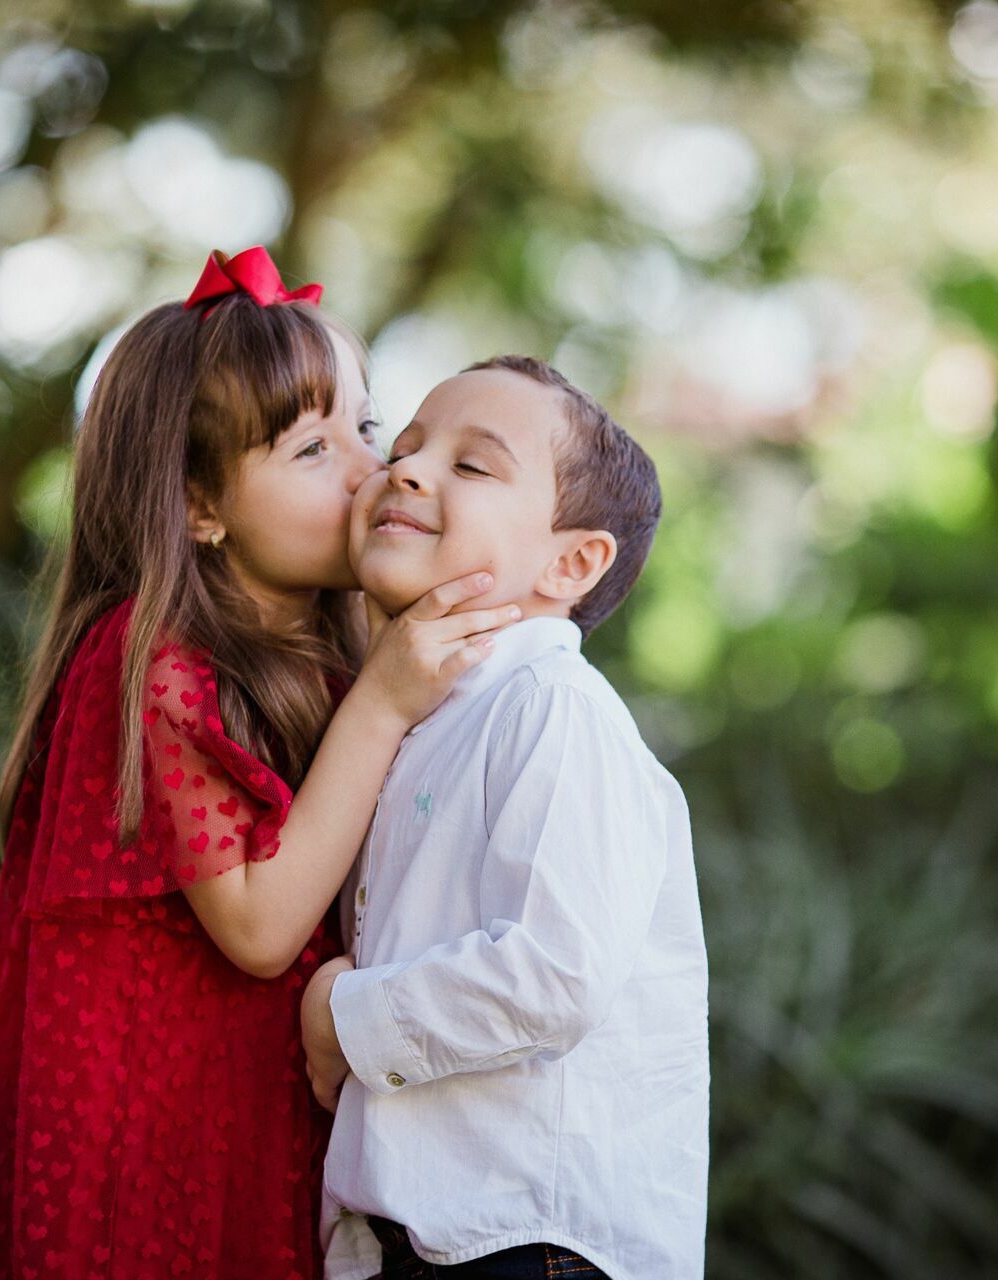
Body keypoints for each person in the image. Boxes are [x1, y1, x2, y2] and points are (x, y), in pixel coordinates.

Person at [0, 248, 520, 1280]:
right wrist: (382, 701)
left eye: (365, 430)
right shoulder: (155, 661)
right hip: (156, 1157)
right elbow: (256, 925)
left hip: (265, 1130)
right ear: (200, 503)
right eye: (309, 448)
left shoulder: (331, 660)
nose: (366, 468)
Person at [300, 355, 710, 1279]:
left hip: (533, 1244)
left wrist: (342, 1016)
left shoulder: (552, 706)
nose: (406, 469)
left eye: (472, 466)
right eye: (403, 446)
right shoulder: (415, 719)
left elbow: (554, 974)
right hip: (431, 1241)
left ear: (571, 561)